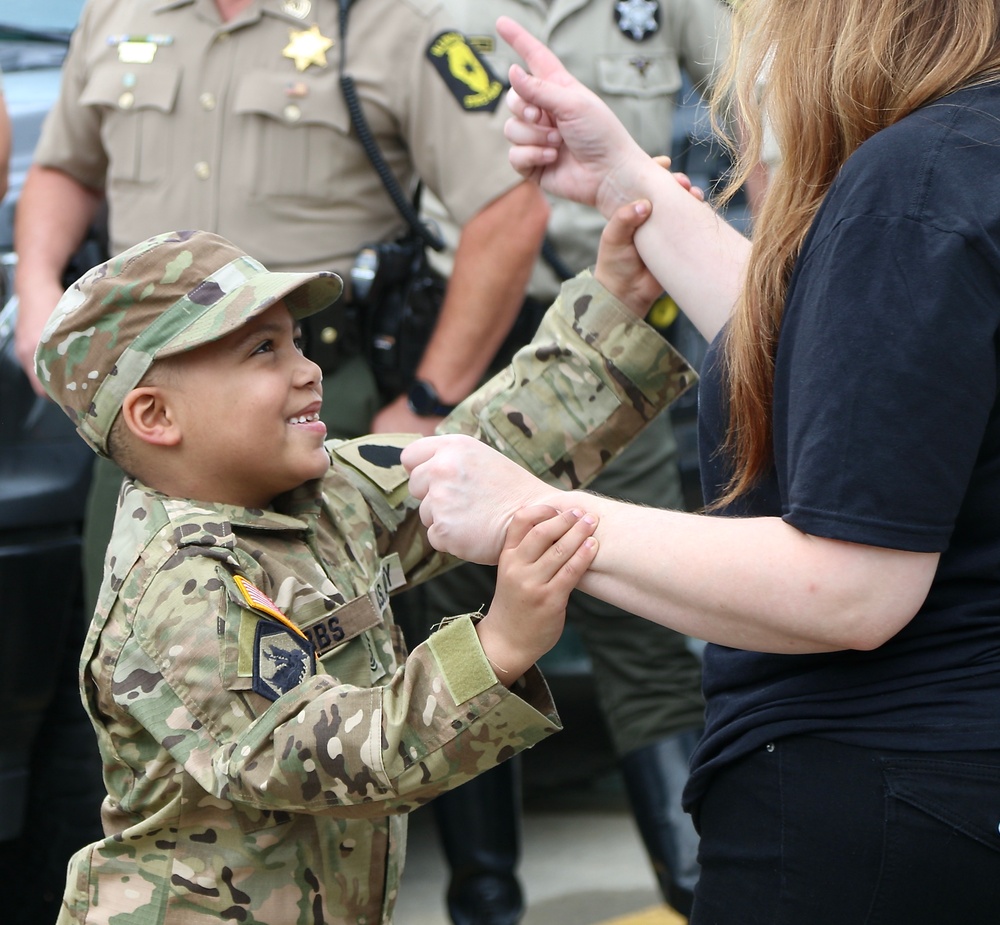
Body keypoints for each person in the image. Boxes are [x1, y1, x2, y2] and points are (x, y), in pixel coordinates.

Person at [402, 6, 1000, 924]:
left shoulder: (914, 180)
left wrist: (532, 511)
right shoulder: (965, 156)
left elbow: (853, 589)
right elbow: (843, 356)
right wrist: (625, 180)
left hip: (885, 801)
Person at [33, 212, 694, 925]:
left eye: (297, 341)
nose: (308, 369)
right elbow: (332, 757)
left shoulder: (320, 494)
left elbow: (494, 449)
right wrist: (497, 645)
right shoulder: (179, 585)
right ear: (156, 415)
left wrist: (615, 303)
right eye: (263, 350)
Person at [12, 0, 550, 618]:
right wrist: (36, 291)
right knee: (136, 647)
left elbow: (510, 209)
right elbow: (65, 169)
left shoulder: (394, 18)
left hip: (314, 405)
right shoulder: (115, 12)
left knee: (322, 653)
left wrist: (429, 401)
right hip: (143, 418)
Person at [410, 3, 732, 920]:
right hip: (462, 321)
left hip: (607, 319)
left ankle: (699, 890)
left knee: (632, 608)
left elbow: (764, 117)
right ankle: (484, 901)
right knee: (449, 612)